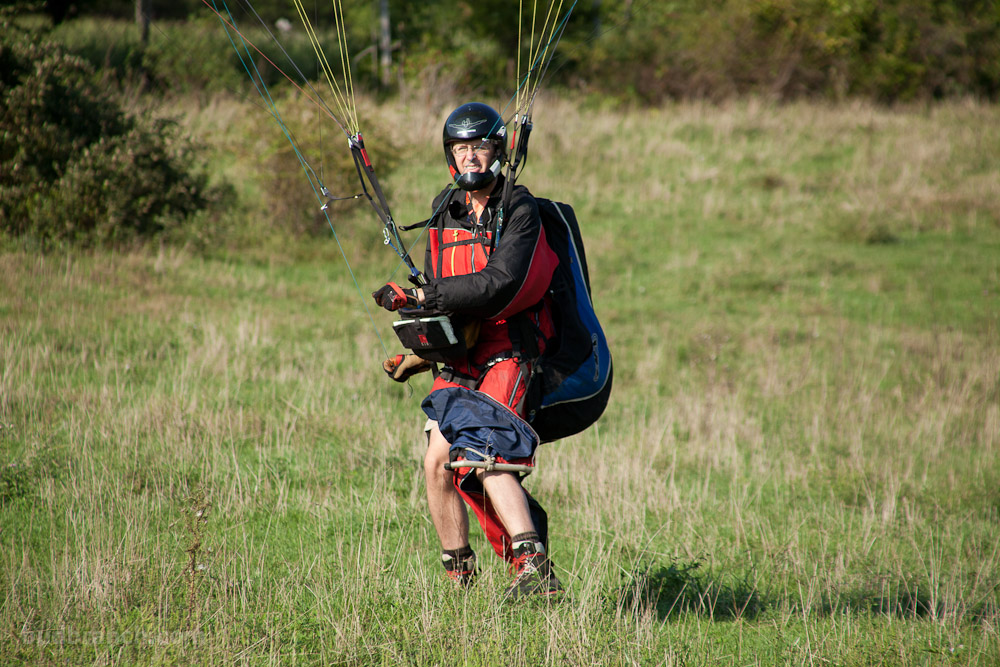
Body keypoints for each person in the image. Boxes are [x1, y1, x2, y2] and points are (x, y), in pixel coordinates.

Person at [372, 102, 562, 597]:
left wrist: (424, 296)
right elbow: (442, 290)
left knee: (483, 450)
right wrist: (421, 345)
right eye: (461, 148)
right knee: (437, 462)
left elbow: (499, 283)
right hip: (461, 356)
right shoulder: (446, 207)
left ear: (498, 151)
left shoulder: (520, 208)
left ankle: (534, 567)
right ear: (450, 155)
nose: (471, 157)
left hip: (508, 349)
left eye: (479, 146)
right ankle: (460, 577)